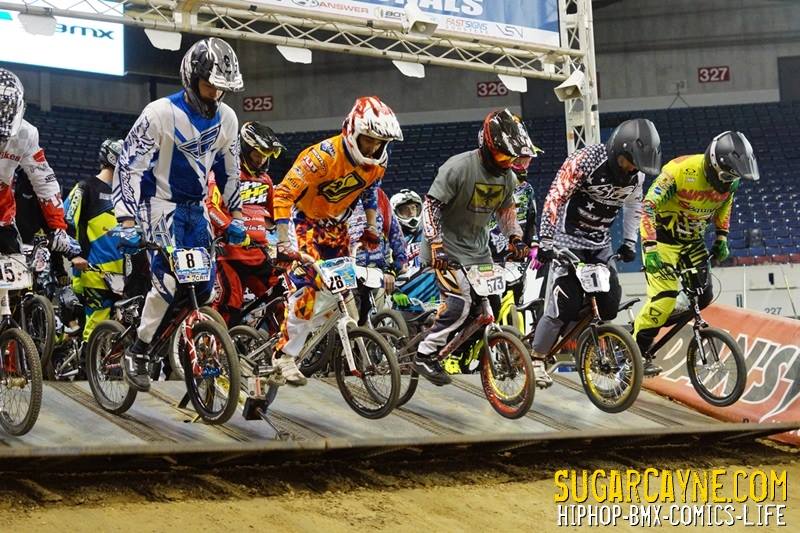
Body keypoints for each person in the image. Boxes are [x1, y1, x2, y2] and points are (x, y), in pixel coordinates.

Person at [113, 37, 247, 392]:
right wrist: (126, 220)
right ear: (192, 78)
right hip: (158, 205)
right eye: (209, 85)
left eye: (221, 88)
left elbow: (231, 171)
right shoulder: (158, 113)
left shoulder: (228, 118)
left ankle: (179, 337)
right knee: (168, 282)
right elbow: (128, 166)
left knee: (205, 289)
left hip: (196, 209)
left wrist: (238, 215)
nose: (215, 94)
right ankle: (139, 349)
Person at [273, 96, 403, 386]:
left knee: (342, 290)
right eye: (368, 140)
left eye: (379, 143)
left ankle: (309, 329)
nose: (373, 148)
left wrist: (372, 226)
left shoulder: (379, 162)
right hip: (304, 223)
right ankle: (284, 355)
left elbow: (370, 191)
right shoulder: (321, 157)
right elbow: (282, 194)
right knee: (308, 289)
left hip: (338, 226)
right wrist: (283, 242)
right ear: (352, 132)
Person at [531, 119, 662, 386]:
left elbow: (633, 206)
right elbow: (555, 196)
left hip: (600, 243)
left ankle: (585, 343)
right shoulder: (586, 160)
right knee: (564, 303)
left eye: (638, 165)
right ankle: (536, 358)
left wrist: (629, 241)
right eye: (630, 162)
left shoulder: (637, 175)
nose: (633, 169)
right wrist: (545, 239)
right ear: (617, 151)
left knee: (609, 303)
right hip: (566, 239)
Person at [414, 108, 535, 386]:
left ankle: (456, 349)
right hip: (445, 250)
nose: (506, 163)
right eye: (502, 156)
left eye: (511, 158)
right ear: (488, 147)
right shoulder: (458, 167)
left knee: (490, 306)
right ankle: (425, 354)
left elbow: (506, 213)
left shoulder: (508, 178)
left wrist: (515, 238)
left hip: (478, 251)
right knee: (459, 303)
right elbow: (430, 207)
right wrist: (435, 244)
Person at [633, 131, 759, 375]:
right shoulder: (679, 171)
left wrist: (722, 236)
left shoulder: (730, 182)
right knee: (664, 298)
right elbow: (648, 206)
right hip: (662, 242)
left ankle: (653, 317)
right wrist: (649, 247)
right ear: (713, 166)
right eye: (727, 176)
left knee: (704, 297)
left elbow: (725, 205)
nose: (729, 183)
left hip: (692, 242)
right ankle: (637, 350)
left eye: (734, 178)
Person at [207, 121, 285, 325]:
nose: (262, 159)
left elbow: (276, 214)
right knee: (229, 306)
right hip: (228, 255)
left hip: (258, 253)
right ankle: (214, 343)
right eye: (258, 154)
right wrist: (228, 227)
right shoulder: (224, 174)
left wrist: (285, 239)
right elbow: (211, 207)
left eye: (266, 155)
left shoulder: (266, 180)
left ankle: (279, 344)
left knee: (280, 300)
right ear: (245, 149)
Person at [0, 68, 81, 264]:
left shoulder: (26, 134)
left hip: (2, 216)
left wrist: (58, 227)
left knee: (17, 269)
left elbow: (44, 179)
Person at [64, 139, 127, 343]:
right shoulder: (85, 188)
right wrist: (73, 255)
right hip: (94, 271)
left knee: (123, 331)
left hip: (125, 275)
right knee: (95, 329)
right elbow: (66, 221)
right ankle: (86, 361)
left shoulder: (127, 194)